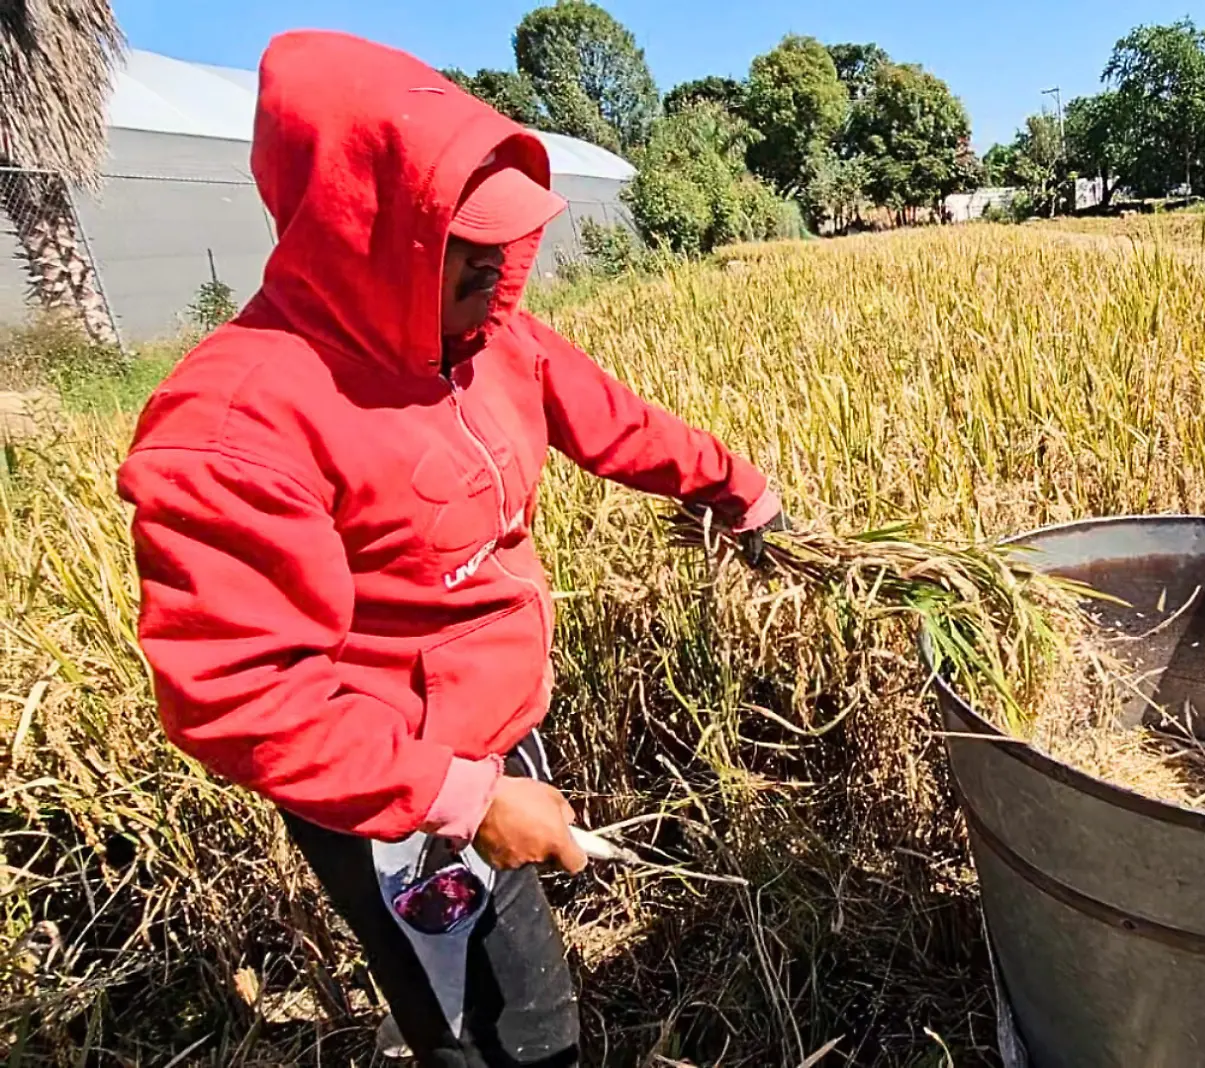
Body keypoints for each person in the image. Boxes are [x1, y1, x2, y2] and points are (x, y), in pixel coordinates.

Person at [116, 31, 784, 1066]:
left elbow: (613, 419)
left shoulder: (483, 331)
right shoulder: (237, 427)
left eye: (504, 241)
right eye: (463, 242)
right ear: (363, 231)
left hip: (487, 729)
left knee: (496, 994)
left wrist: (738, 494)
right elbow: (239, 699)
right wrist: (460, 799)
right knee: (513, 1033)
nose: (499, 267)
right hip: (389, 792)